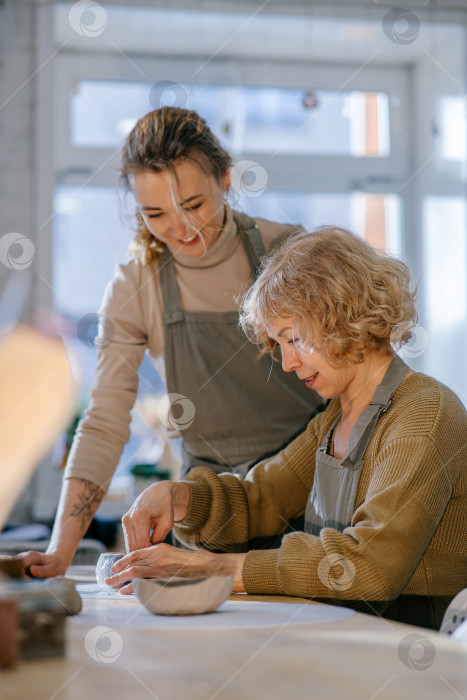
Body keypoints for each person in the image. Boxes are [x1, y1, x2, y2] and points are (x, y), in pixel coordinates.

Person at [105, 227, 467, 630]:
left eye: (293, 338)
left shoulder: (423, 415)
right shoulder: (335, 417)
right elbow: (261, 500)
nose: (288, 363)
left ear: (343, 315)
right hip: (348, 637)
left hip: (412, 654)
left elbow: (370, 565)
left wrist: (217, 568)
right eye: (279, 344)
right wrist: (179, 498)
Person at [20, 107, 324, 578]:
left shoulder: (288, 252)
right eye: (155, 213)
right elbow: (103, 421)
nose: (182, 229)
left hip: (313, 497)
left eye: (195, 205)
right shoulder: (135, 284)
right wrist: (60, 551)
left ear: (225, 178)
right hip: (208, 510)